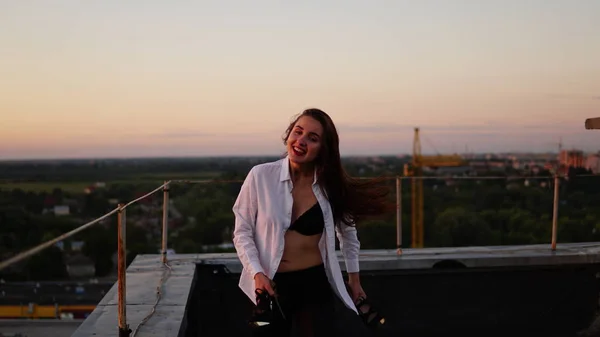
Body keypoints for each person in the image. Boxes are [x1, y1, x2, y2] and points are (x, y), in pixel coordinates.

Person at [232, 108, 393, 336]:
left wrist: (354, 281)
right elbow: (242, 232)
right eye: (298, 132)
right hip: (270, 286)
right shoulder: (260, 176)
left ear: (323, 149)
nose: (301, 141)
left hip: (314, 284)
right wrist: (257, 274)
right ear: (288, 134)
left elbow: (348, 236)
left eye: (313, 138)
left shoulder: (331, 186)